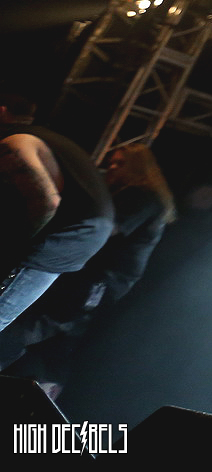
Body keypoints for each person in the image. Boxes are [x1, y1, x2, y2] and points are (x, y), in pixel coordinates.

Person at [0, 142, 176, 380]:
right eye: (111, 162)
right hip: (90, 278)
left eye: (120, 163)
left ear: (138, 168)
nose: (111, 167)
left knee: (37, 324)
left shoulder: (142, 196)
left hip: (100, 281)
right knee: (41, 328)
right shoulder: (128, 195)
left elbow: (109, 229)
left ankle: (41, 381)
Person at [0, 95, 114, 333]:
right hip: (82, 234)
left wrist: (14, 247)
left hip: (68, 234)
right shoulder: (41, 136)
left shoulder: (15, 142)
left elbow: (47, 201)